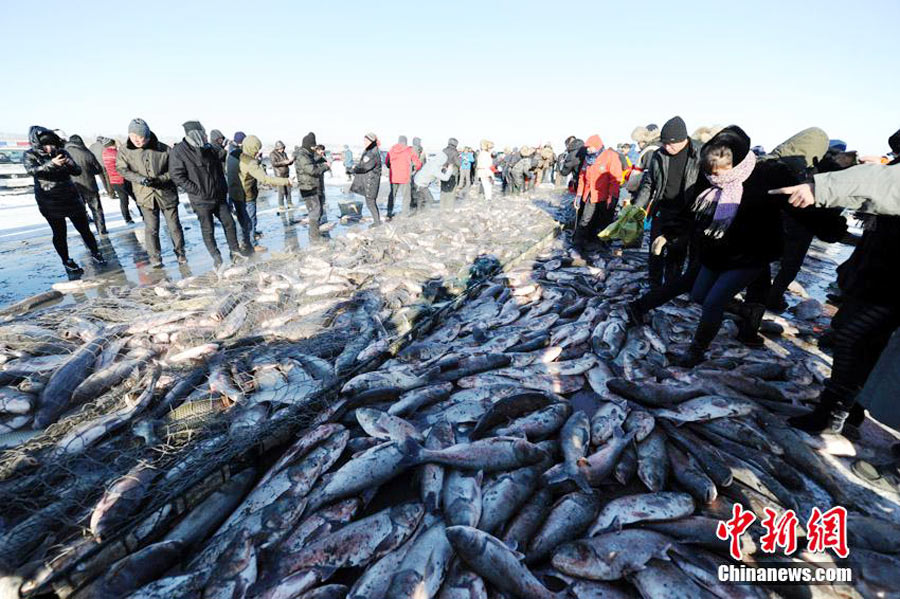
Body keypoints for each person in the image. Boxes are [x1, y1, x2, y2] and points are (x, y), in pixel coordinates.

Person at [671, 126, 797, 367]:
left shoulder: (766, 174)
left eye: (720, 170)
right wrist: (671, 231)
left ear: (735, 161)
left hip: (749, 254)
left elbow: (801, 207)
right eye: (710, 170)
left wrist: (829, 223)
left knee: (712, 303)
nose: (715, 175)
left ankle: (696, 351)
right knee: (698, 296)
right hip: (716, 253)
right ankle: (745, 310)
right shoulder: (709, 179)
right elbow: (689, 210)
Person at [632, 116, 703, 289]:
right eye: (664, 143)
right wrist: (636, 207)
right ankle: (654, 284)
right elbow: (649, 183)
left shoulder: (699, 154)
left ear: (683, 139)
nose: (666, 147)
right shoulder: (659, 155)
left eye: (670, 144)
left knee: (676, 252)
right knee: (655, 249)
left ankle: (671, 286)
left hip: (686, 213)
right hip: (663, 210)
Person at [23, 126, 105, 273]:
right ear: (38, 145)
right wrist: (52, 164)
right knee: (60, 233)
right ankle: (66, 260)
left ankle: (95, 252)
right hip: (49, 199)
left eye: (52, 144)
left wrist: (70, 164)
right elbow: (32, 171)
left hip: (70, 196)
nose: (49, 148)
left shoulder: (62, 152)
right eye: (46, 145)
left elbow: (77, 171)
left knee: (84, 228)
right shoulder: (30, 155)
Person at [170, 121, 244, 267]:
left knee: (229, 223)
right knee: (208, 229)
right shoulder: (179, 151)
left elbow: (221, 159)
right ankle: (217, 258)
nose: (205, 135)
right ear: (195, 134)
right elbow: (177, 175)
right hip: (201, 200)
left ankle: (235, 252)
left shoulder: (208, 148)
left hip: (219, 196)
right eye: (203, 133)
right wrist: (197, 190)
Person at [116, 118, 186, 268]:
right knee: (151, 229)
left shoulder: (164, 149)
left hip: (166, 194)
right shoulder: (124, 150)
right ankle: (155, 258)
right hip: (144, 196)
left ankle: (180, 253)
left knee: (174, 226)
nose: (137, 140)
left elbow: (175, 170)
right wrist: (140, 179)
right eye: (133, 136)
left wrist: (160, 179)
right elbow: (122, 169)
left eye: (140, 137)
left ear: (147, 136)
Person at [573, 135, 623, 247]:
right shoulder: (587, 159)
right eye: (587, 148)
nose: (588, 150)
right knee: (586, 219)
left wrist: (612, 197)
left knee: (604, 220)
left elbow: (615, 179)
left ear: (597, 146)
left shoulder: (610, 156)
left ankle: (604, 244)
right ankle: (580, 242)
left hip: (605, 195)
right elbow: (582, 177)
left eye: (590, 147)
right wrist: (579, 194)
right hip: (591, 194)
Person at [65, 134, 107, 235]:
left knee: (79, 212)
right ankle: (101, 230)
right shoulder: (86, 153)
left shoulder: (64, 154)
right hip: (90, 186)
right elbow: (98, 169)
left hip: (73, 188)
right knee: (96, 209)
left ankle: (85, 233)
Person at [295, 132, 331, 242]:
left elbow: (313, 164)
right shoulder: (302, 156)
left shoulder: (307, 154)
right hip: (308, 188)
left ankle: (315, 234)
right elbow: (311, 170)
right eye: (312, 146)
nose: (313, 149)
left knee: (317, 210)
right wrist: (325, 167)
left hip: (312, 186)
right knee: (314, 213)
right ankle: (314, 238)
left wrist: (321, 162)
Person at [225, 131, 256, 252]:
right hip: (243, 192)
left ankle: (245, 241)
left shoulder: (230, 153)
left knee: (242, 218)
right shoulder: (237, 154)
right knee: (247, 217)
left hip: (236, 191)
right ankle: (249, 242)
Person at [349, 132, 383, 226]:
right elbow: (362, 164)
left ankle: (377, 223)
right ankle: (377, 222)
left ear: (371, 141)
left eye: (366, 140)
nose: (364, 142)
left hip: (371, 181)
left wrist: (354, 170)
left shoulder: (373, 153)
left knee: (371, 202)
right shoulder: (369, 151)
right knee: (370, 202)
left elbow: (366, 167)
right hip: (368, 180)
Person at [384, 136, 422, 219]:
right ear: (406, 142)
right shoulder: (409, 150)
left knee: (392, 195)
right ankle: (404, 214)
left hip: (393, 176)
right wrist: (415, 169)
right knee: (406, 196)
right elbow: (418, 163)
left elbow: (386, 162)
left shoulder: (391, 150)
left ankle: (389, 213)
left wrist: (391, 167)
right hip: (405, 176)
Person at [101, 139, 137, 224]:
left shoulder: (104, 154)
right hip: (123, 179)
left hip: (113, 181)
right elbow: (126, 164)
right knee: (136, 197)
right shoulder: (116, 154)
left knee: (123, 200)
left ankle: (127, 219)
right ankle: (144, 215)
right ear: (112, 144)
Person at [269, 141, 294, 211]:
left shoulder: (284, 153)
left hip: (286, 173)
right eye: (280, 148)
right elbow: (273, 163)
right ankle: (281, 205)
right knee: (281, 191)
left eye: (283, 148)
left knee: (288, 190)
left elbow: (288, 162)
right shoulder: (272, 154)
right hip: (279, 174)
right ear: (277, 148)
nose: (282, 150)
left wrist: (291, 161)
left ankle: (289, 203)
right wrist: (283, 162)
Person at [440, 137, 461, 205]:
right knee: (451, 190)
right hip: (452, 171)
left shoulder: (443, 150)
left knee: (443, 189)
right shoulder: (455, 152)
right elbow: (458, 163)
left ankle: (442, 206)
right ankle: (449, 207)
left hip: (443, 170)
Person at [315, 144, 329, 224]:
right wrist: (321, 157)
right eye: (321, 150)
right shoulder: (314, 156)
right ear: (317, 150)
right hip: (315, 181)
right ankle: (317, 220)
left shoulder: (322, 156)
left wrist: (326, 166)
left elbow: (324, 165)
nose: (322, 152)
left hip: (320, 179)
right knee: (318, 199)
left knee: (322, 198)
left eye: (323, 150)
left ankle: (322, 216)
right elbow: (316, 168)